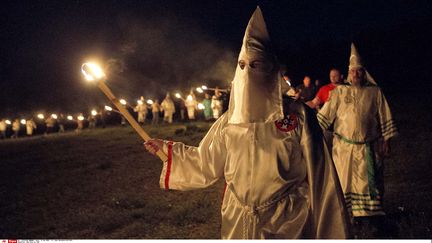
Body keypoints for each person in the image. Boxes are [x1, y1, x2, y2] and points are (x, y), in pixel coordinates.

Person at [144, 7, 349, 239]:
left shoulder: (297, 117)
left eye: (256, 65)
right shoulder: (229, 121)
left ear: (271, 69)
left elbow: (322, 177)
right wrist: (167, 150)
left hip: (287, 221)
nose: (249, 73)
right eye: (243, 65)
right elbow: (206, 162)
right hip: (238, 218)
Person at [317, 44, 398, 236]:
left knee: (369, 184)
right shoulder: (339, 93)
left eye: (359, 71)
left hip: (368, 147)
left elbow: (385, 115)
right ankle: (347, 216)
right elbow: (324, 116)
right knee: (344, 182)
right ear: (348, 73)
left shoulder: (375, 92)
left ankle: (370, 217)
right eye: (352, 71)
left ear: (364, 73)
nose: (356, 74)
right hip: (343, 148)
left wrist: (386, 140)